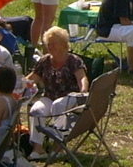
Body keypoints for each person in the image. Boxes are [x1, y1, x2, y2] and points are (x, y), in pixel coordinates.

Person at [25, 26, 88, 158]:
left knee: (58, 105)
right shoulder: (44, 61)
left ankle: (58, 146)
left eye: (54, 43)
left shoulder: (73, 60)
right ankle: (38, 148)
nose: (51, 46)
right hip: (49, 96)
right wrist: (18, 82)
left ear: (64, 44)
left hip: (70, 97)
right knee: (36, 110)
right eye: (49, 44)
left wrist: (83, 91)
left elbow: (82, 78)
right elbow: (32, 79)